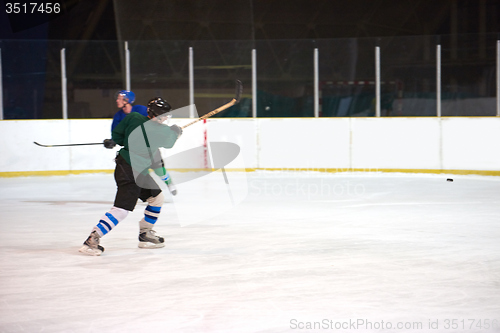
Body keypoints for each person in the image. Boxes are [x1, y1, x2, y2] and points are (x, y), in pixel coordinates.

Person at [79, 97, 183, 256]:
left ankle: (145, 234)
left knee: (157, 197)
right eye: (165, 116)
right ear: (157, 115)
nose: (167, 118)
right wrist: (176, 132)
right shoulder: (160, 130)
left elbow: (118, 136)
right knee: (121, 209)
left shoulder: (134, 117)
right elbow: (169, 142)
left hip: (128, 167)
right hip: (131, 171)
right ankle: (92, 239)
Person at [103, 90, 177, 195]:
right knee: (141, 171)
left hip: (150, 148)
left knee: (159, 169)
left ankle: (169, 183)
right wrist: (112, 141)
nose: (117, 100)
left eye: (120, 98)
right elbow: (118, 133)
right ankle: (148, 192)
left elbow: (154, 123)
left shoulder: (140, 110)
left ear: (127, 100)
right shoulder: (118, 116)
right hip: (136, 151)